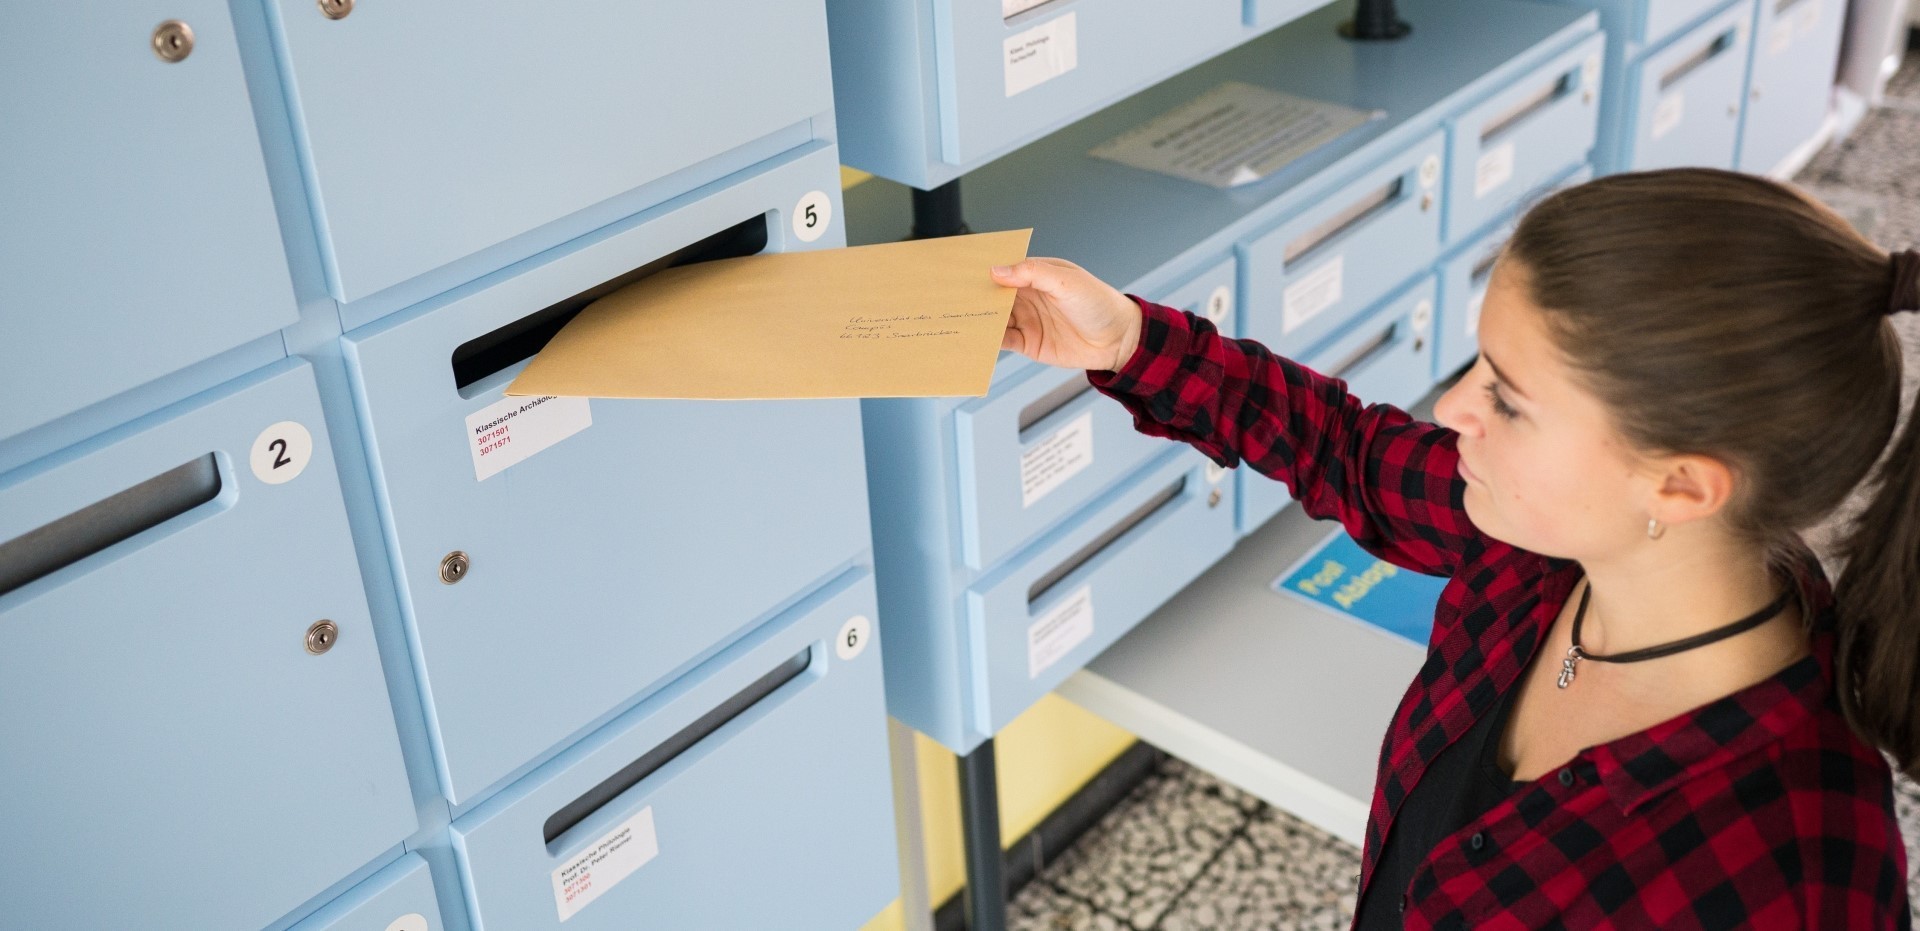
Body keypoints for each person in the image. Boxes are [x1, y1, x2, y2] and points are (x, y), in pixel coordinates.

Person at [991, 168, 1920, 928]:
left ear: (1679, 484)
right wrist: (1130, 340)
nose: (1454, 408)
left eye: (1508, 399)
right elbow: (1346, 450)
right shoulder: (1547, 547)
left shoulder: (1800, 867)